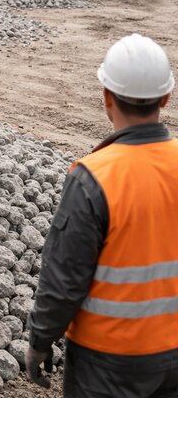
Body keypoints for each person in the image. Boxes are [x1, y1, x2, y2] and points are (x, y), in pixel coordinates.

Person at [26, 33, 178, 397]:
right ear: (166, 98)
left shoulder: (92, 178)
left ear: (106, 97)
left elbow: (64, 280)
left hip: (107, 362)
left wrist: (40, 340)